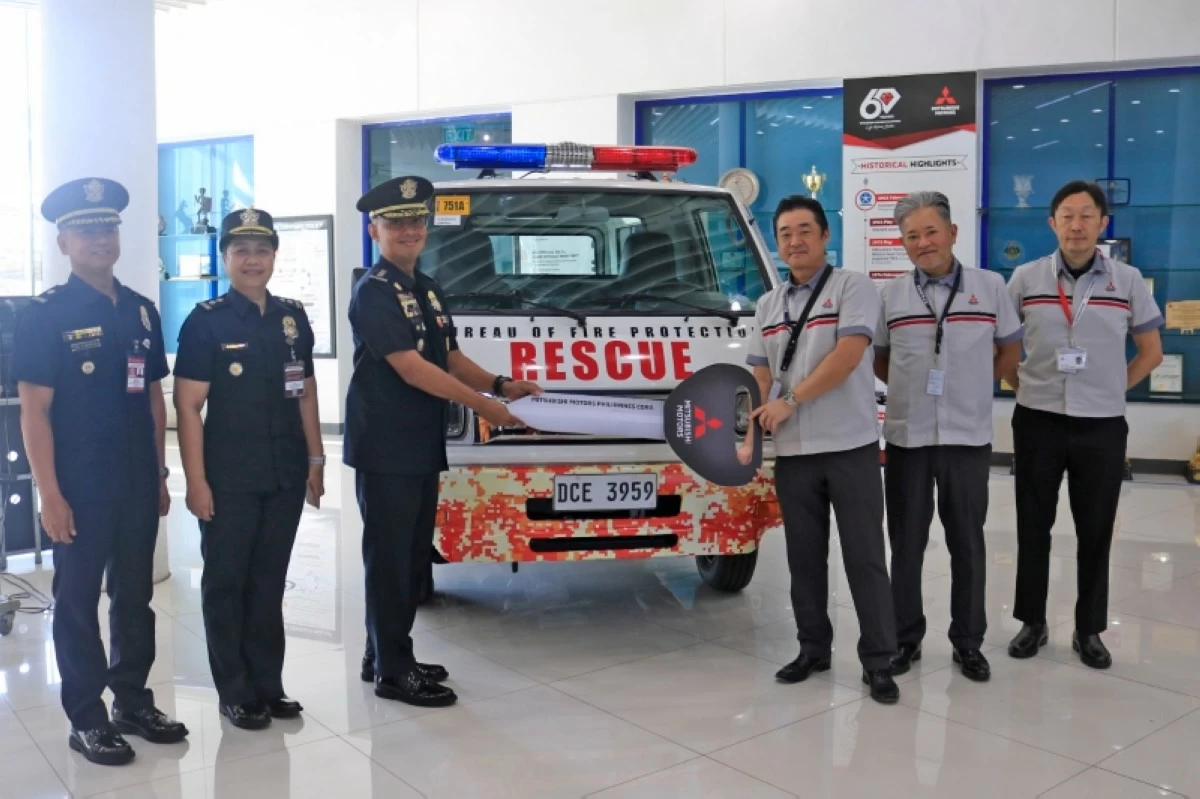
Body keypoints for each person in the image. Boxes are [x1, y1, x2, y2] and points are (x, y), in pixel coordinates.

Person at [346, 175, 541, 707]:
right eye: (396, 222)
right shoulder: (374, 293)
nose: (409, 230)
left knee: (409, 556)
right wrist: (485, 407)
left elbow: (448, 356)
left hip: (419, 441)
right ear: (375, 229)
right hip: (386, 446)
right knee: (389, 558)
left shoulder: (426, 288)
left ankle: (386, 652)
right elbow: (411, 369)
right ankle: (393, 670)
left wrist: (501, 385)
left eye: (416, 221)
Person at [14, 178, 187, 766]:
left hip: (139, 481)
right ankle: (86, 716)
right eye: (85, 230)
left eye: (107, 227)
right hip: (79, 487)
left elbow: (153, 397)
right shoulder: (46, 314)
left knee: (135, 597)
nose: (98, 238)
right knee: (79, 600)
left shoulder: (140, 308)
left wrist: (162, 475)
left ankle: (133, 701)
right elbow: (34, 410)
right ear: (63, 242)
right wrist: (50, 493)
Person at [741, 195, 900, 704]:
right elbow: (759, 371)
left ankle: (878, 661)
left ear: (825, 236)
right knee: (804, 558)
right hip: (793, 453)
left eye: (805, 230)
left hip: (847, 445)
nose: (795, 241)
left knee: (865, 557)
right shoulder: (767, 305)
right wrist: (753, 420)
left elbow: (849, 355)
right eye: (785, 233)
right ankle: (813, 648)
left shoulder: (853, 287)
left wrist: (789, 400)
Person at [173, 208, 324, 729]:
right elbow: (187, 406)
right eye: (241, 251)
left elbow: (304, 388)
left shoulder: (292, 315)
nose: (252, 260)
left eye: (262, 250)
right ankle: (234, 689)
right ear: (226, 259)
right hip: (229, 477)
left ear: (274, 256)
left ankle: (268, 683)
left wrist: (315, 458)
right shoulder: (205, 321)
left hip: (283, 471)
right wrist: (195, 481)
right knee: (227, 582)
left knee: (269, 581)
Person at [1004, 180, 1163, 669]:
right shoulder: (1025, 278)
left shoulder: (1128, 280)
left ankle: (1089, 629)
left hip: (1101, 424)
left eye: (1086, 216)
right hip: (1038, 419)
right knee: (1034, 525)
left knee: (1096, 529)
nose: (1076, 225)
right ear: (1052, 224)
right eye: (1066, 216)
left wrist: (1114, 388)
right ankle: (1033, 622)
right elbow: (1006, 349)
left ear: (1102, 223)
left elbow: (1151, 352)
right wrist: (1021, 384)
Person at [873, 191, 1023, 683]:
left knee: (968, 543)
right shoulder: (891, 295)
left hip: (966, 436)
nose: (923, 242)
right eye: (911, 236)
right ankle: (904, 637)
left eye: (931, 231)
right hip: (907, 438)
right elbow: (880, 359)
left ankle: (968, 642)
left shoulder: (990, 286)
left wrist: (973, 390)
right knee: (907, 544)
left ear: (953, 233)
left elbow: (1008, 354)